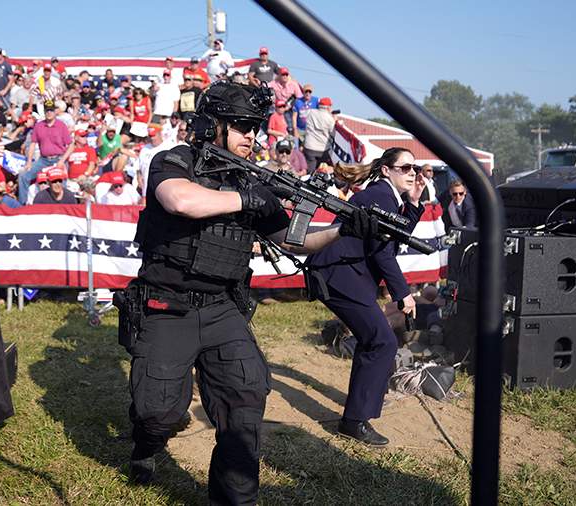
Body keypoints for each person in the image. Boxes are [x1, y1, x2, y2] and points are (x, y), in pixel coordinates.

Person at [122, 81, 376, 503]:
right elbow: (180, 201)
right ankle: (147, 444)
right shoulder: (174, 160)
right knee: (158, 412)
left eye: (255, 128)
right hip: (167, 305)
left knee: (245, 401)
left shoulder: (253, 181)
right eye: (241, 127)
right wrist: (246, 198)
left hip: (223, 309)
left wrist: (342, 230)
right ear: (212, 125)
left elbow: (295, 241)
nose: (251, 137)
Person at [306, 147, 426, 447]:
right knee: (381, 340)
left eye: (416, 167)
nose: (413, 172)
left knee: (376, 339)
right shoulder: (380, 196)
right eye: (406, 167)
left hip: (344, 276)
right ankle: (355, 420)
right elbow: (383, 251)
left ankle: (367, 399)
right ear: (386, 170)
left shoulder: (385, 196)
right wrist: (403, 294)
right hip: (340, 277)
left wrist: (413, 203)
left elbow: (395, 235)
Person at [19, 101, 72, 204]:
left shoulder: (61, 125)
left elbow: (71, 145)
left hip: (58, 158)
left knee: (62, 182)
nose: (49, 112)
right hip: (43, 160)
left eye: (51, 110)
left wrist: (62, 160)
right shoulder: (39, 126)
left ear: (55, 111)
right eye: (47, 110)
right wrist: (29, 161)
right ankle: (23, 205)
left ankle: (64, 208)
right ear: (44, 111)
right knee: (23, 176)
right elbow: (33, 144)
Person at [303, 97, 336, 172]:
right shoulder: (330, 119)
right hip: (323, 149)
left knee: (310, 170)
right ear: (328, 107)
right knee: (320, 171)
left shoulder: (311, 112)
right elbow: (333, 134)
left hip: (309, 146)